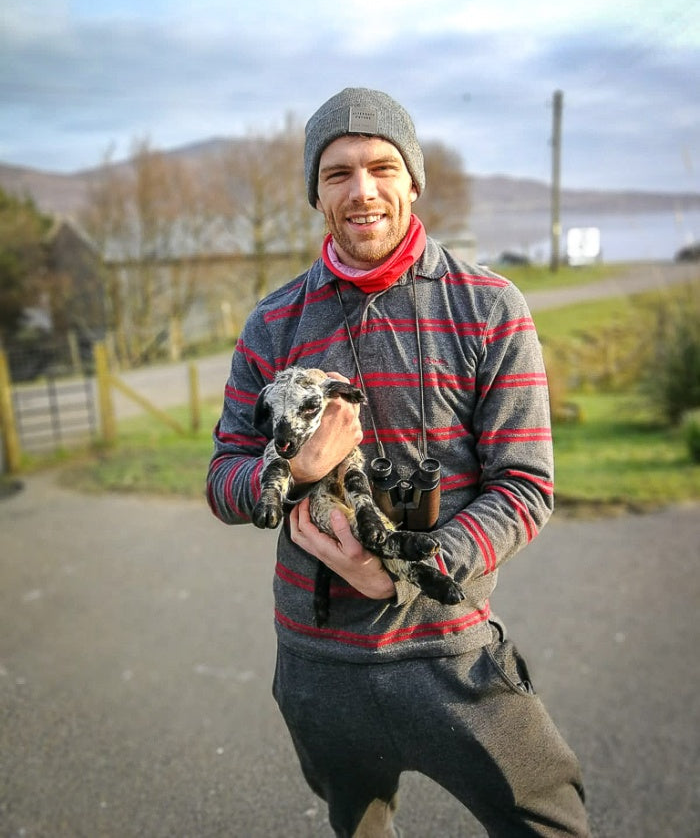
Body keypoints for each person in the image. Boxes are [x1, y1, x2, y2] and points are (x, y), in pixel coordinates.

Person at [206, 87, 590, 837]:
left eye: (382, 166)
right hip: (318, 661)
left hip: (450, 646)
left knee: (552, 821)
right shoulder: (274, 320)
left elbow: (525, 487)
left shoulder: (488, 307)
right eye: (338, 172)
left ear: (413, 180)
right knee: (359, 829)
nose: (363, 190)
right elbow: (223, 475)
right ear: (315, 193)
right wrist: (296, 469)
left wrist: (406, 568)